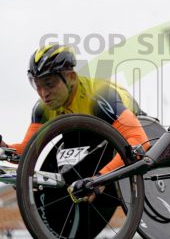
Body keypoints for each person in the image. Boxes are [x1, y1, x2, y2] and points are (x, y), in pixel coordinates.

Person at [0, 44, 150, 200]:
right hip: (90, 143)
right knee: (67, 148)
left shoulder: (99, 94)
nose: (44, 94)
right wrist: (4, 149)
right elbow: (27, 151)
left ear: (71, 77)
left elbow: (140, 142)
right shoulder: (43, 108)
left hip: (129, 140)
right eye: (38, 86)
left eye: (50, 84)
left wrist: (101, 178)